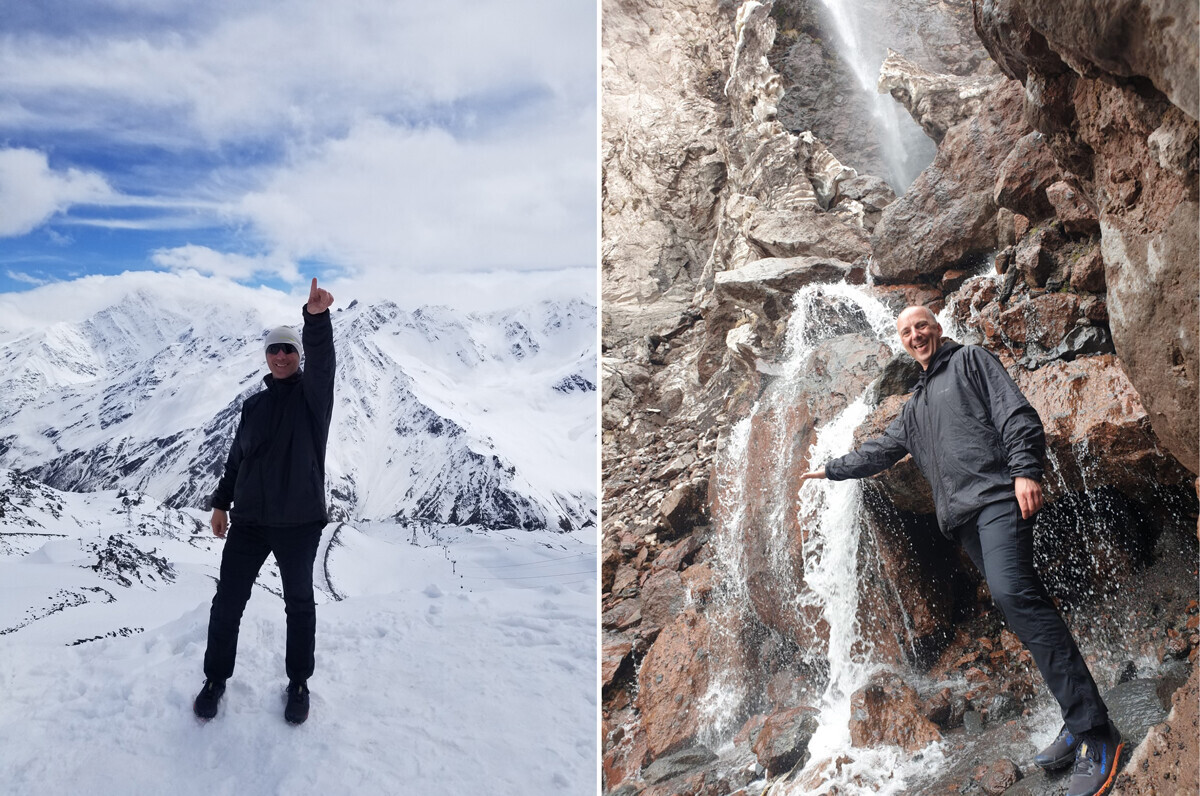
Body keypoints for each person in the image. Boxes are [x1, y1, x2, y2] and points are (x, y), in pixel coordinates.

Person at [799, 305, 1123, 796]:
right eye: (907, 331)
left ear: (938, 328)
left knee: (1016, 598)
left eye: (922, 325)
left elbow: (1014, 411)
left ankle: (1097, 734)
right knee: (1020, 608)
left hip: (997, 498)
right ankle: (1076, 718)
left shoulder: (970, 360)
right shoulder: (913, 407)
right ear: (904, 343)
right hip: (965, 522)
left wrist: (1025, 469)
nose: (916, 334)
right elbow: (880, 451)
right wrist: (832, 469)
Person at [193, 277, 336, 725]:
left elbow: (324, 363)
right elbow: (238, 459)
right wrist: (221, 503)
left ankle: (298, 683)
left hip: (299, 522)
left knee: (299, 603)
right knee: (228, 601)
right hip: (250, 521)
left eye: (288, 350)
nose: (280, 356)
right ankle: (215, 678)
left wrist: (315, 320)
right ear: (266, 357)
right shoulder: (253, 407)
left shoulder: (313, 399)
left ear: (298, 357)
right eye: (274, 350)